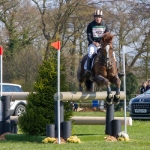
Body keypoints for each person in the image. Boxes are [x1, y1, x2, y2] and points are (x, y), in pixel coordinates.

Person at [85, 9, 124, 79]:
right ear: (94, 17)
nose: (98, 18)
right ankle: (88, 71)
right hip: (93, 44)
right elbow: (88, 37)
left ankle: (117, 71)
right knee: (90, 53)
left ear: (101, 18)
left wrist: (102, 43)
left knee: (113, 54)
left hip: (103, 45)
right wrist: (93, 42)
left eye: (99, 17)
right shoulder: (90, 25)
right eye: (96, 17)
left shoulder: (105, 25)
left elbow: (108, 37)